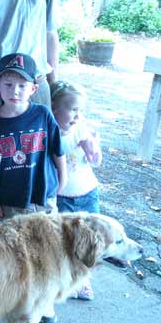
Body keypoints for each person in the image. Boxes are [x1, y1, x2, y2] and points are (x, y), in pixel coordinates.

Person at [0, 52, 66, 323]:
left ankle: (45, 302)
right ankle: (14, 303)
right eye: (8, 84)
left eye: (22, 85)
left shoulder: (42, 114)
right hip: (11, 199)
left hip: (43, 196)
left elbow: (57, 149)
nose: (15, 91)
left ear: (33, 88)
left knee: (47, 249)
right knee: (15, 253)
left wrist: (61, 181)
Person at [51, 80, 102, 301]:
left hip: (87, 192)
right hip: (62, 196)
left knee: (90, 239)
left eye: (80, 110)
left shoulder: (82, 128)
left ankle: (84, 280)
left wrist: (93, 149)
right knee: (65, 240)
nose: (77, 115)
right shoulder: (49, 130)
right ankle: (65, 279)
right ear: (54, 107)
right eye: (72, 109)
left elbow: (96, 161)